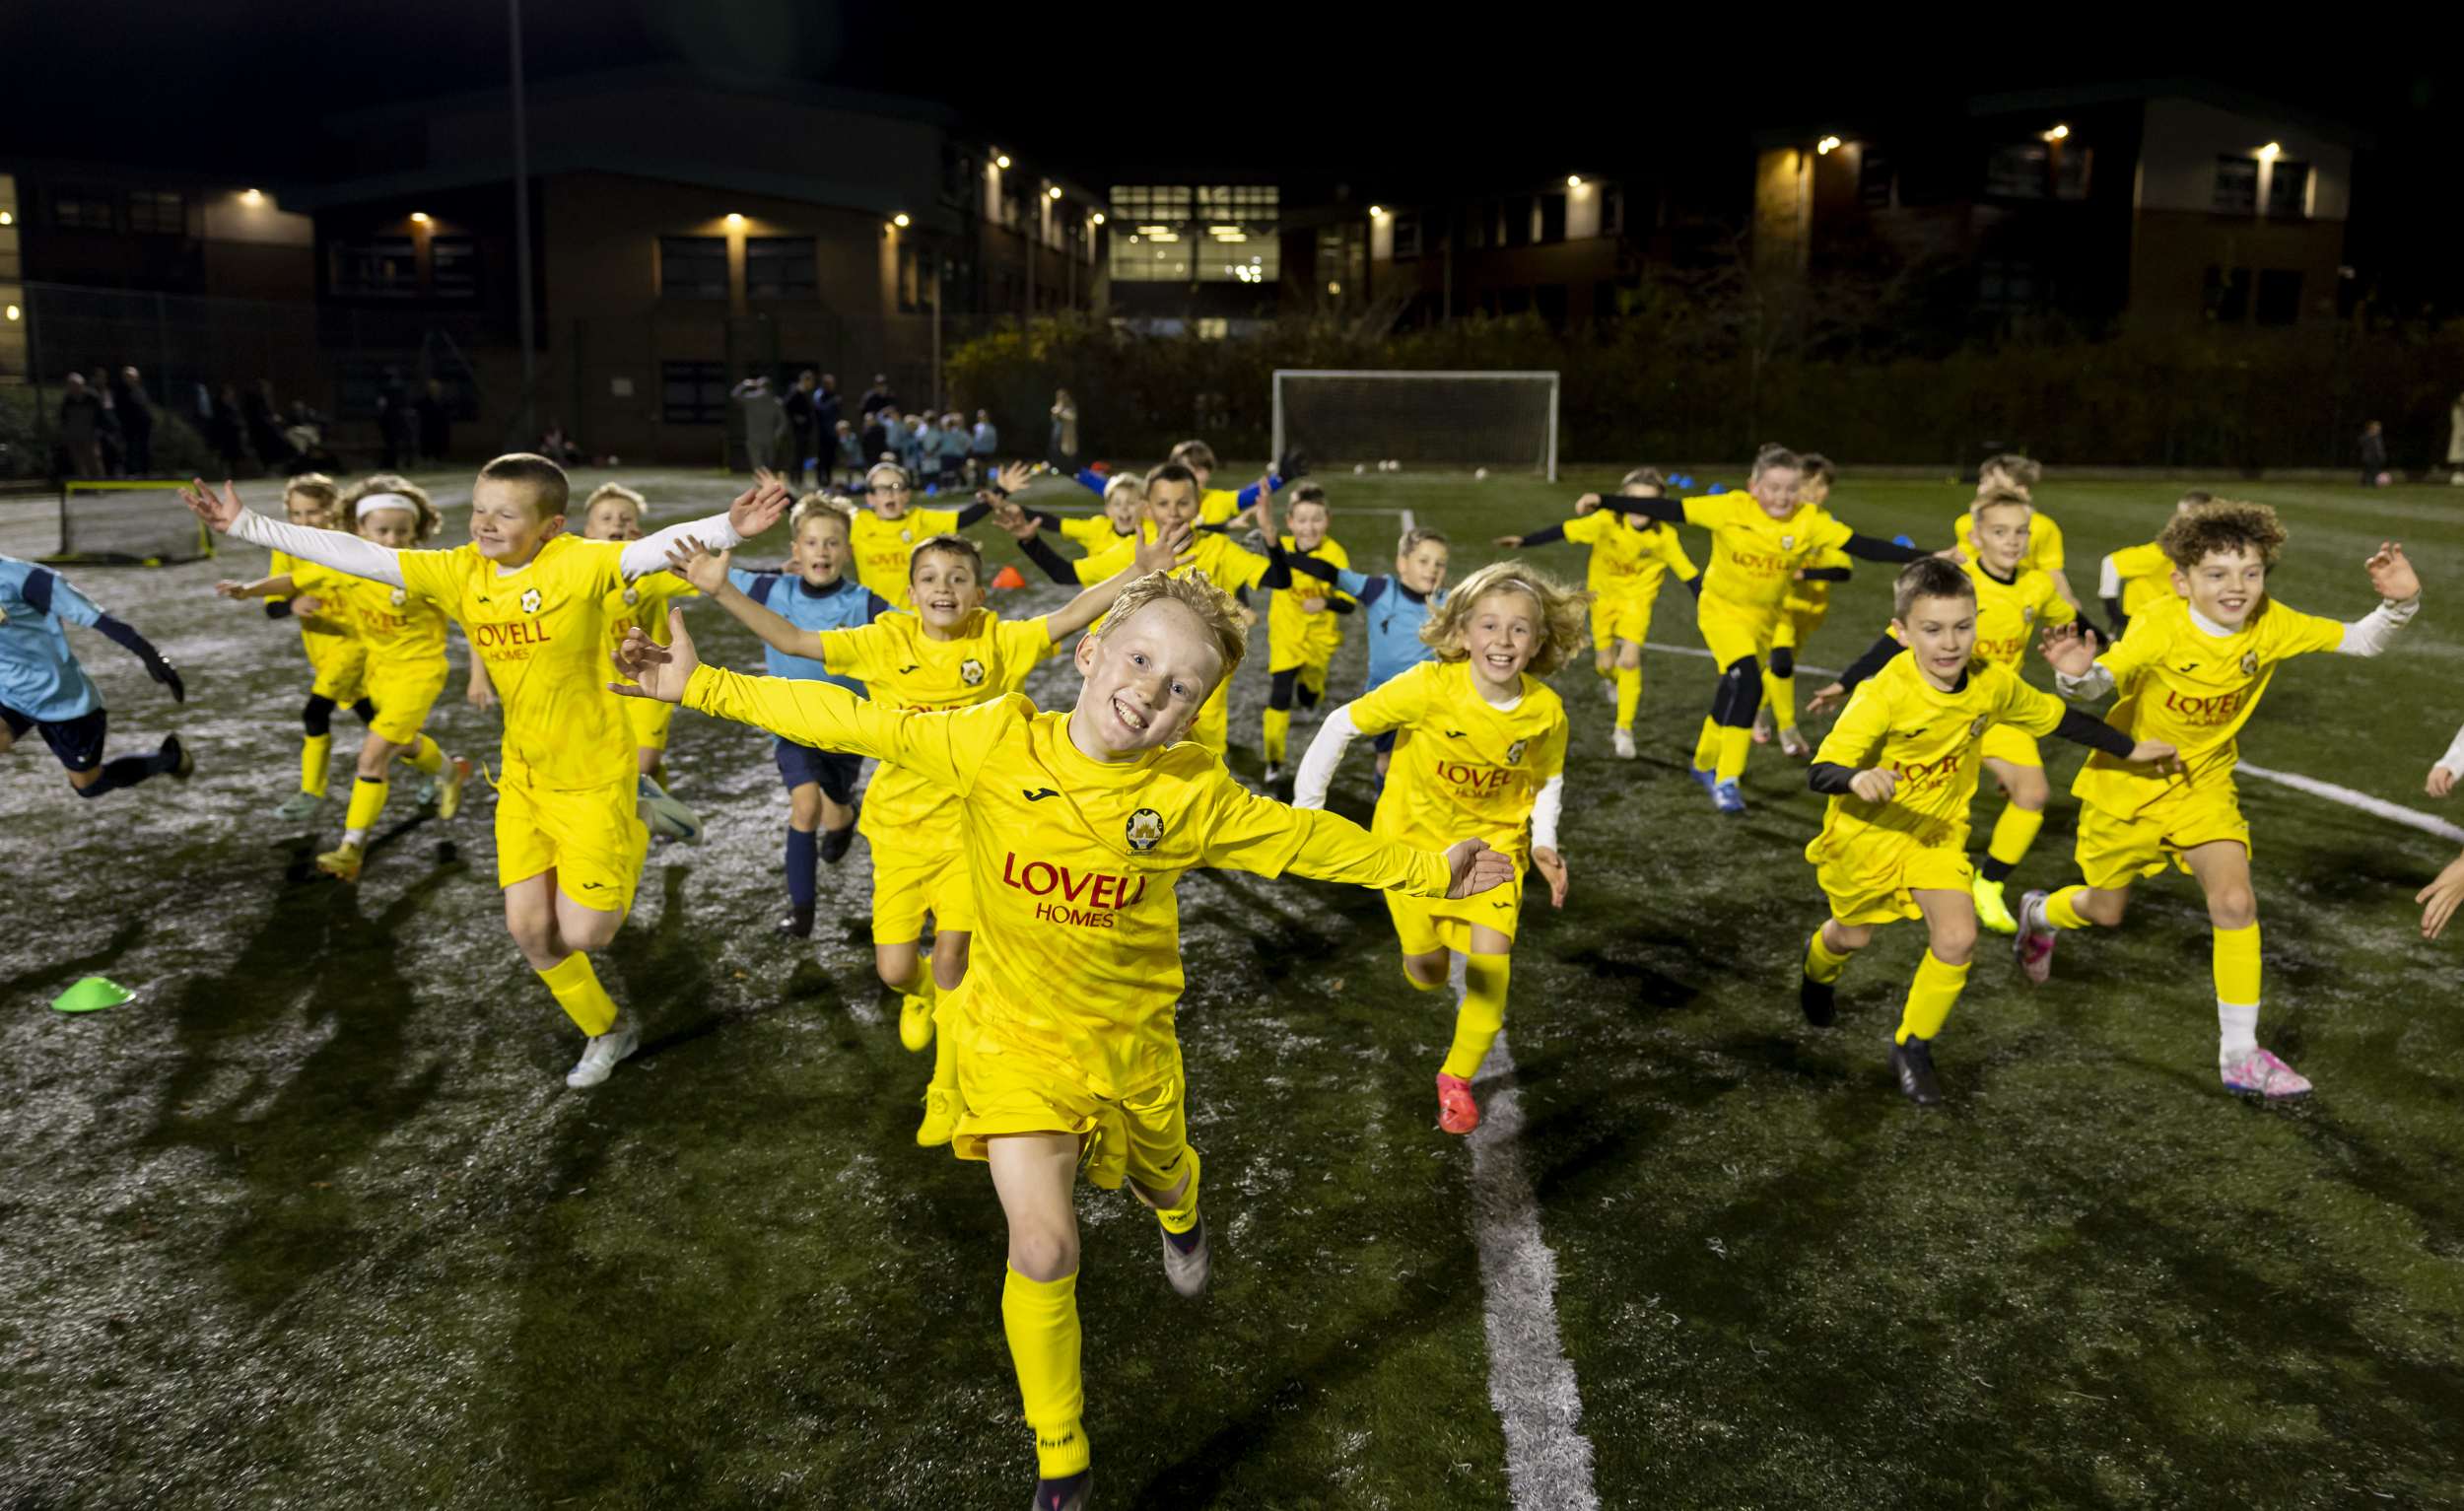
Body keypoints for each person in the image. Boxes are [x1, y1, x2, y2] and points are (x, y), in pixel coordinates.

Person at [610, 566, 1514, 1511]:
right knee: (1043, 1247)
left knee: (1165, 1176)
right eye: (1140, 659)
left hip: (1129, 1047)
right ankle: (1062, 1456)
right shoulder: (993, 739)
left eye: (1183, 687)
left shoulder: (1191, 795)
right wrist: (698, 684)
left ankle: (1181, 1211)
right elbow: (852, 720)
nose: (1152, 691)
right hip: (1011, 1038)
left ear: (1194, 713)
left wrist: (1427, 869)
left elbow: (1302, 841)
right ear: (1088, 653)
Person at [180, 458, 792, 1089]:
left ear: (550, 526)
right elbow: (358, 555)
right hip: (523, 780)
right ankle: (607, 1030)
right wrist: (247, 524)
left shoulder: (576, 563)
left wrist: (729, 528)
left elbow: (649, 550)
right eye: (480, 509)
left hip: (593, 777)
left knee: (587, 933)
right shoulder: (461, 570)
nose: (485, 523)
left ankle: (638, 810)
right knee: (530, 932)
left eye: (506, 513)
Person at [671, 517, 1187, 1145]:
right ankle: (921, 997)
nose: (944, 588)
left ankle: (946, 1090)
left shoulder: (997, 641)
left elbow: (1069, 616)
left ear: (980, 593)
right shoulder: (885, 640)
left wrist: (1138, 571)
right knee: (895, 970)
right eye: (931, 578)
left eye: (959, 577)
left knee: (952, 956)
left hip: (977, 834)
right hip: (899, 833)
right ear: (910, 592)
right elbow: (795, 640)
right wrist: (722, 590)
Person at [2015, 501, 2421, 1097]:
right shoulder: (2159, 622)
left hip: (2203, 786)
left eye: (2250, 572)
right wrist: (2076, 673)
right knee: (2104, 911)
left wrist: (2401, 604)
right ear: (2182, 581)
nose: (2237, 587)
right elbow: (2100, 681)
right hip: (2126, 787)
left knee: (2234, 902)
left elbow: (2361, 640)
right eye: (2217, 574)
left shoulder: (2271, 622)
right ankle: (2039, 915)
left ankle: (2240, 1056)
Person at [1797, 558, 2172, 1105]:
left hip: (1937, 833)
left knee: (1958, 937)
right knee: (1850, 937)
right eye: (1932, 629)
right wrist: (1856, 778)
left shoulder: (1991, 682)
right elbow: (1821, 769)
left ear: (1977, 622)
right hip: (1865, 838)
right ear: (1902, 632)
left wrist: (2130, 749)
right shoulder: (1884, 693)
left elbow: (2058, 718)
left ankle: (1912, 1045)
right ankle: (1817, 974)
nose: (1950, 643)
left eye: (1962, 626)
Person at [1292, 560, 1579, 1134]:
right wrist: (1307, 810)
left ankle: (1456, 1080)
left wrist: (1543, 842)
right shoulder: (1428, 687)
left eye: (1519, 629)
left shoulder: (1544, 711)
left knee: (1491, 977)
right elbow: (1342, 724)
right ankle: (1425, 951)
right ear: (1463, 632)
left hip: (1494, 852)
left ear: (1538, 641)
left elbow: (1548, 776)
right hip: (1411, 852)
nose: (1503, 640)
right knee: (1425, 971)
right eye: (1489, 625)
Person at [1581, 444, 1934, 814]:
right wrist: (1604, 501)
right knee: (1749, 681)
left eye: (1791, 489)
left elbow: (1864, 547)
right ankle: (1727, 779)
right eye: (1773, 488)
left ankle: (1703, 761)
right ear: (1754, 486)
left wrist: (1927, 555)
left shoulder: (1809, 520)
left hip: (1764, 621)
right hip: (1720, 613)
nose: (1782, 497)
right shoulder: (1730, 508)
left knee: (1732, 686)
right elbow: (1668, 509)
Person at [1805, 490, 2080, 936]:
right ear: (1977, 535)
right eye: (2001, 531)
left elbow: (2070, 625)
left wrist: (2103, 655)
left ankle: (1989, 883)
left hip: (1995, 706)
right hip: (1942, 711)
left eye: (2021, 532)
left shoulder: (2036, 586)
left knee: (2033, 795)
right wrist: (1846, 681)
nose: (2012, 541)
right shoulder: (1955, 584)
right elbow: (1895, 640)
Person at [1013, 461, 1299, 758]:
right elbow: (1065, 573)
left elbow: (1280, 579)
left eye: (1183, 503)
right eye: (1163, 504)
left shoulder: (1219, 548)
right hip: (1143, 675)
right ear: (1148, 509)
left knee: (1204, 755)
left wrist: (1270, 534)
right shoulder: (1137, 551)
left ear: (1198, 504)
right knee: (1133, 748)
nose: (1173, 512)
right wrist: (1029, 540)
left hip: (1195, 679)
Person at [698, 494, 884, 938]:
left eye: (832, 543)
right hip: (789, 724)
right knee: (804, 806)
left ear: (848, 551)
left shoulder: (866, 604)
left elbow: (915, 637)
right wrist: (646, 552)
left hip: (847, 730)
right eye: (813, 542)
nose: (823, 551)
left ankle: (844, 817)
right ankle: (802, 912)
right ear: (796, 550)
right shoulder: (771, 590)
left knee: (833, 811)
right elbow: (700, 570)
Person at [278, 476, 472, 882]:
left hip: (415, 673)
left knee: (368, 753)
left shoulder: (426, 570)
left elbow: (473, 618)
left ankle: (350, 847)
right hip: (376, 671)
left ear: (416, 530)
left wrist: (481, 677)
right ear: (360, 528)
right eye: (382, 530)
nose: (392, 539)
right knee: (399, 743)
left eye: (401, 531)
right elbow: (293, 585)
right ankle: (447, 772)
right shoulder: (346, 562)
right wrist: (248, 591)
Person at [1492, 465, 1701, 761]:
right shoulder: (1606, 522)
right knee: (1605, 664)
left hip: (1637, 603)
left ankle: (1624, 728)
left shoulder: (1664, 537)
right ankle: (1610, 679)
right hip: (1602, 601)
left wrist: (1706, 600)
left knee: (1629, 661)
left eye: (1648, 502)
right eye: (1633, 500)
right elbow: (1566, 530)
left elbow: (1689, 573)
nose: (1639, 509)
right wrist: (1526, 541)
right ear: (1623, 500)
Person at [211, 474, 384, 821]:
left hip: (357, 646)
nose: (305, 521)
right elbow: (274, 606)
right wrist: (289, 603)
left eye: (314, 511)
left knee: (314, 714)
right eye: (296, 513)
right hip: (321, 650)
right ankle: (438, 767)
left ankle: (311, 791)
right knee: (378, 722)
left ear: (334, 509)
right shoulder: (288, 548)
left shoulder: (350, 542)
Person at [0, 553, 192, 799]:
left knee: (88, 786)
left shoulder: (24, 579)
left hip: (62, 701)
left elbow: (95, 616)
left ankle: (170, 759)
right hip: (10, 695)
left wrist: (149, 653)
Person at [571, 484, 703, 839]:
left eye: (625, 518)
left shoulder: (649, 576)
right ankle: (658, 798)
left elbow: (701, 577)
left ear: (637, 530)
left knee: (639, 767)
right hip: (600, 688)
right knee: (616, 768)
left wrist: (668, 556)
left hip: (649, 684)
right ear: (588, 532)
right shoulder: (576, 576)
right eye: (607, 518)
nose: (617, 523)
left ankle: (664, 815)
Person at [1756, 453, 1850, 758]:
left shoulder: (1826, 525)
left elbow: (1843, 571)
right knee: (1781, 663)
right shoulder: (1780, 520)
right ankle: (1788, 730)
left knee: (1779, 670)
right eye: (1808, 484)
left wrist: (1804, 574)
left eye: (1821, 486)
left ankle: (1758, 711)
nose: (1814, 492)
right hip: (1779, 608)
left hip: (1809, 611)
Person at [1260, 483, 1351, 786]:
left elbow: (1349, 603)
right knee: (1280, 695)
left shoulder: (1335, 554)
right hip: (1286, 636)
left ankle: (1312, 694)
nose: (1308, 528)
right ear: (1290, 521)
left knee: (1310, 691)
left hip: (1319, 639)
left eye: (1316, 520)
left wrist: (1325, 602)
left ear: (1328, 520)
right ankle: (1273, 760)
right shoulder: (1280, 547)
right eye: (1301, 520)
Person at [848, 459, 1027, 609]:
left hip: (916, 619)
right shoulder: (857, 523)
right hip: (875, 621)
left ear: (907, 494)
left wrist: (1001, 490)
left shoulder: (921, 519)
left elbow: (965, 517)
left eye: (896, 486)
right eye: (881, 488)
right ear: (870, 498)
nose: (889, 494)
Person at [2095, 490, 2212, 640]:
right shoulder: (2163, 553)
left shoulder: (2200, 552)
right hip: (2142, 627)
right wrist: (2113, 611)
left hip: (2168, 626)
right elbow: (2111, 562)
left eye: (2182, 516)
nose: (2174, 520)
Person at [57, 374, 104, 478]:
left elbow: (100, 416)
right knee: (77, 461)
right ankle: (83, 483)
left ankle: (99, 482)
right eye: (71, 385)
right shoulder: (68, 399)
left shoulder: (92, 397)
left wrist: (98, 431)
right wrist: (65, 432)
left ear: (82, 385)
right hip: (73, 435)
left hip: (89, 435)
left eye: (76, 385)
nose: (73, 388)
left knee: (93, 460)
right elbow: (63, 418)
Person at [110, 367, 155, 475]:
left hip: (143, 426)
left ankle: (145, 472)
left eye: (132, 377)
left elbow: (145, 407)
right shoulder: (120, 392)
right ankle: (130, 473)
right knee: (129, 450)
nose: (130, 379)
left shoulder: (141, 390)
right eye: (127, 376)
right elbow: (119, 410)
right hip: (128, 426)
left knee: (144, 449)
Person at [784, 371, 820, 487]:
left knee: (801, 455)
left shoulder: (805, 393)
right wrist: (796, 417)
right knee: (797, 455)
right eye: (811, 381)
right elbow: (786, 406)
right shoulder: (796, 392)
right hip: (798, 430)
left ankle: (799, 479)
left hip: (804, 429)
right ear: (805, 380)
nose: (812, 384)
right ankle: (794, 479)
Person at [208, 382, 247, 476]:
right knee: (225, 456)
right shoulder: (217, 406)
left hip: (233, 436)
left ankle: (235, 473)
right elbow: (219, 422)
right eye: (229, 393)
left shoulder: (232, 406)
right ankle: (224, 474)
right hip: (223, 436)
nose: (231, 395)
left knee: (235, 455)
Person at [418, 379, 451, 466]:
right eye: (433, 389)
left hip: (440, 427)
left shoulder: (443, 401)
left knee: (439, 443)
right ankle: (427, 460)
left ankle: (438, 460)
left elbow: (446, 413)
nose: (435, 390)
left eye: (436, 388)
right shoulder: (424, 401)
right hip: (428, 426)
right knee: (427, 443)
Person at [1048, 387, 1079, 473]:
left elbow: (1072, 417)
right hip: (1057, 435)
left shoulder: (1070, 406)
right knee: (1056, 451)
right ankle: (1057, 468)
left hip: (1068, 435)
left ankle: (1071, 469)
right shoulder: (1057, 406)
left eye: (1063, 396)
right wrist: (1056, 412)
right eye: (1059, 396)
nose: (1061, 398)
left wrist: (1060, 412)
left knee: (1070, 452)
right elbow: (1053, 419)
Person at [971, 408, 999, 483]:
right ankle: (977, 482)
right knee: (977, 466)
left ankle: (985, 482)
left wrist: (993, 448)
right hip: (977, 450)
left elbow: (994, 439)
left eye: (984, 416)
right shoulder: (976, 427)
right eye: (980, 416)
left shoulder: (991, 428)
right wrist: (973, 447)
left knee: (986, 467)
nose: (982, 417)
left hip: (988, 450)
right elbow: (973, 438)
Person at [831, 420, 863, 486]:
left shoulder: (852, 437)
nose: (840, 432)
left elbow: (851, 449)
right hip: (849, 460)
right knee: (849, 472)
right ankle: (849, 485)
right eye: (839, 430)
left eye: (842, 430)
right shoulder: (841, 438)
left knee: (861, 470)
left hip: (856, 459)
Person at [2361, 420, 2389, 487]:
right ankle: (2365, 483)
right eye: (2377, 427)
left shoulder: (2378, 437)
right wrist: (2370, 435)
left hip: (2376, 457)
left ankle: (2374, 483)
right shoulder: (2368, 436)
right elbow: (2362, 442)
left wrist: (2382, 455)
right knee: (2368, 471)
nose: (2378, 429)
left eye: (2379, 427)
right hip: (2369, 457)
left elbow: (2379, 448)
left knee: (2375, 471)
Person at [2447, 391, 2464, 487]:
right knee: (2458, 457)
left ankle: (2460, 475)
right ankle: (2457, 476)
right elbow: (2458, 424)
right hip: (2459, 436)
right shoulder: (2457, 410)